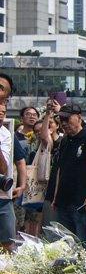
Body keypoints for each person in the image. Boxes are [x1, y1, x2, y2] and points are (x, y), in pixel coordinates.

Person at [51, 104, 86, 245]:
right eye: (61, 119)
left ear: (79, 117)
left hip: (82, 202)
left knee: (85, 245)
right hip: (63, 201)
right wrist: (56, 196)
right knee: (65, 246)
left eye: (67, 119)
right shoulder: (64, 141)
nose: (64, 123)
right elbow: (60, 169)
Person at [0, 92, 27, 249]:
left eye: (3, 113)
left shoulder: (6, 133)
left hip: (3, 196)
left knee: (9, 242)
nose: (1, 116)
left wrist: (22, 185)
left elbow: (5, 167)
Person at [15, 106, 42, 235]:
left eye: (34, 114)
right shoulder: (14, 136)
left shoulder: (40, 138)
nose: (32, 116)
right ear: (21, 118)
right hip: (18, 183)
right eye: (28, 114)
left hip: (35, 185)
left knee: (34, 219)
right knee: (17, 219)